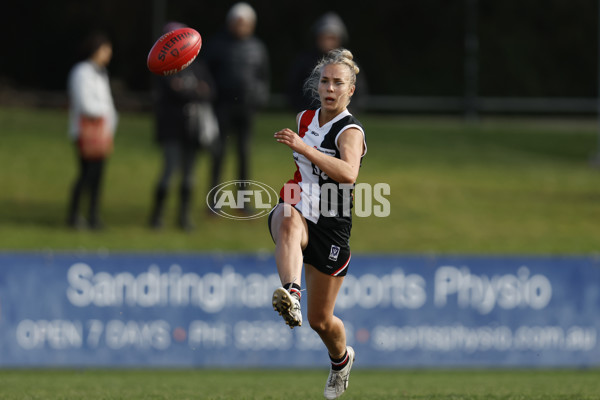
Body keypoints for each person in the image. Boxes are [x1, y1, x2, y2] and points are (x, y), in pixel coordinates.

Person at [269, 48, 366, 399]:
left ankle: (341, 360)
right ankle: (292, 292)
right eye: (325, 81)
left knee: (321, 321)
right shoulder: (304, 119)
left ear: (350, 90)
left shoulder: (349, 130)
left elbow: (349, 174)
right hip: (299, 202)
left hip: (332, 223)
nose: (330, 88)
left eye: (338, 83)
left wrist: (305, 149)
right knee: (287, 221)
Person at [149, 22, 218, 231]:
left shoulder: (197, 66)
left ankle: (184, 216)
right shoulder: (164, 69)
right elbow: (175, 93)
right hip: (172, 128)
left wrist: (189, 90)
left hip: (193, 129)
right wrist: (193, 90)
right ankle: (157, 216)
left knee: (189, 174)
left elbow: (210, 91)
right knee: (169, 171)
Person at [203, 2, 270, 211]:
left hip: (246, 110)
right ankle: (214, 202)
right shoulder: (217, 45)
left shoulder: (257, 47)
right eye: (237, 22)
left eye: (245, 23)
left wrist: (259, 98)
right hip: (222, 108)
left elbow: (263, 77)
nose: (241, 26)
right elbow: (206, 75)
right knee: (218, 154)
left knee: (244, 155)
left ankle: (243, 203)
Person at [66, 32, 117, 230]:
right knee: (86, 174)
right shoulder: (82, 72)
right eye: (105, 49)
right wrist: (104, 113)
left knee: (98, 177)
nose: (108, 54)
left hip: (103, 133)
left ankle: (93, 215)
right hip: (86, 132)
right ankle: (74, 214)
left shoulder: (101, 73)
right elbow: (85, 104)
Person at [287, 12, 368, 114]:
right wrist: (307, 113)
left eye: (332, 38)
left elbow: (359, 95)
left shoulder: (348, 64)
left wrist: (345, 113)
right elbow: (293, 90)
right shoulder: (304, 61)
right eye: (324, 37)